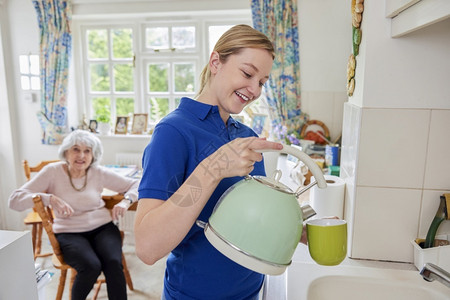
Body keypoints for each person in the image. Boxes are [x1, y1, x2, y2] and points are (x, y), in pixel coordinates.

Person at [134, 24, 285, 300]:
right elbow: (147, 246)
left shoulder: (245, 136)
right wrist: (213, 168)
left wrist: (302, 227)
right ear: (216, 62)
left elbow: (257, 217)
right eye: (248, 73)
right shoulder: (173, 132)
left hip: (251, 290)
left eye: (262, 82)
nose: (254, 90)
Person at [9, 130, 139, 300]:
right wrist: (49, 199)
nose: (81, 156)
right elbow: (15, 200)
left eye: (87, 151)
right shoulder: (53, 172)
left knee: (114, 263)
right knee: (91, 266)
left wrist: (126, 201)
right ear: (66, 152)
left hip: (102, 228)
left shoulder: (97, 172)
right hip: (69, 232)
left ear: (93, 155)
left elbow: (137, 184)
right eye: (76, 149)